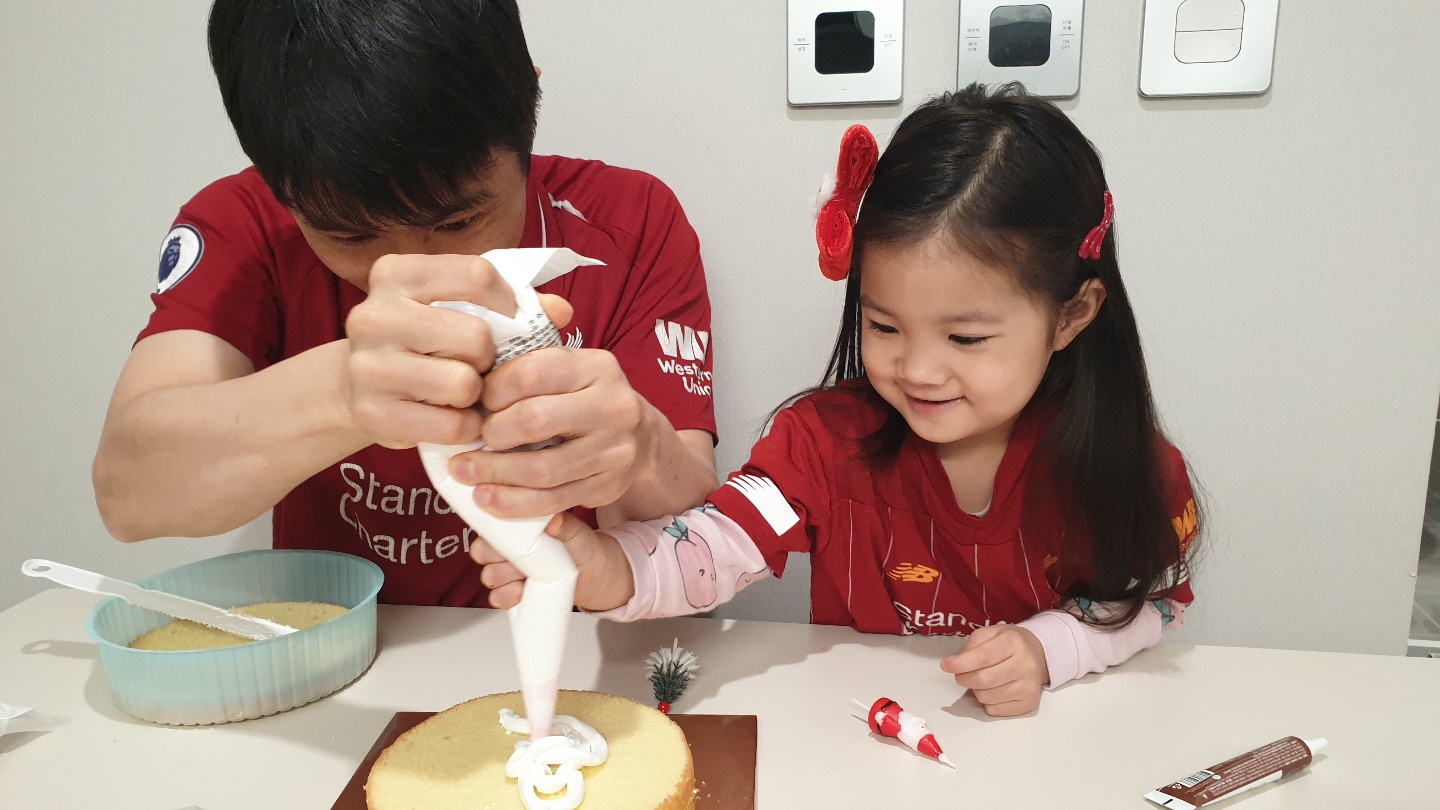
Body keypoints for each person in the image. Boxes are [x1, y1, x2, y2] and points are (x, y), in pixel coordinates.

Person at [473, 84, 1201, 717]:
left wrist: (1053, 648)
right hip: (857, 744)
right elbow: (717, 548)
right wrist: (605, 568)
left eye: (966, 338)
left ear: (1072, 315)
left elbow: (1157, 598)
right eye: (883, 326)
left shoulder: (1122, 462)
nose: (919, 370)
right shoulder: (821, 444)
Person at [91, 0, 719, 607]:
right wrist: (341, 391)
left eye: (460, 221)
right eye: (350, 237)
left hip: (581, 648)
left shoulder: (627, 223)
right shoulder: (247, 227)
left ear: (528, 100)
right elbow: (127, 496)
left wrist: (641, 449)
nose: (415, 271)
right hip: (347, 647)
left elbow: (702, 557)